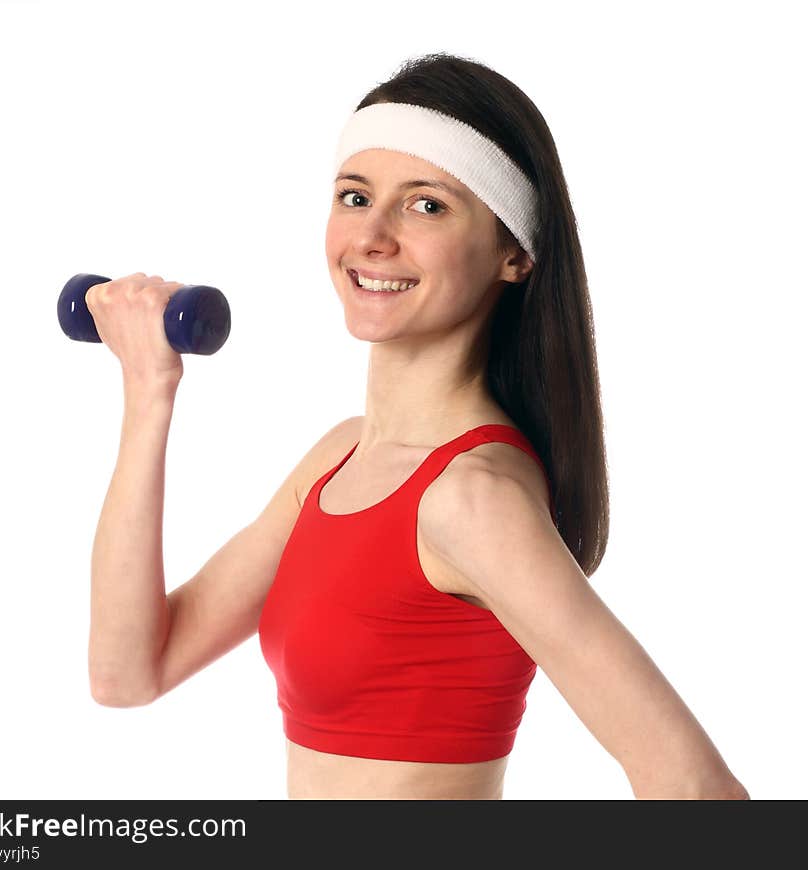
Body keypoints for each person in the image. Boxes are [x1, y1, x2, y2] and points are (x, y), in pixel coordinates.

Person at [86, 52, 750, 801]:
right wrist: (149, 390)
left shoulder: (472, 500)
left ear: (515, 255)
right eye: (354, 195)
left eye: (426, 205)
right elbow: (127, 673)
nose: (373, 236)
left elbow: (697, 790)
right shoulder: (339, 460)